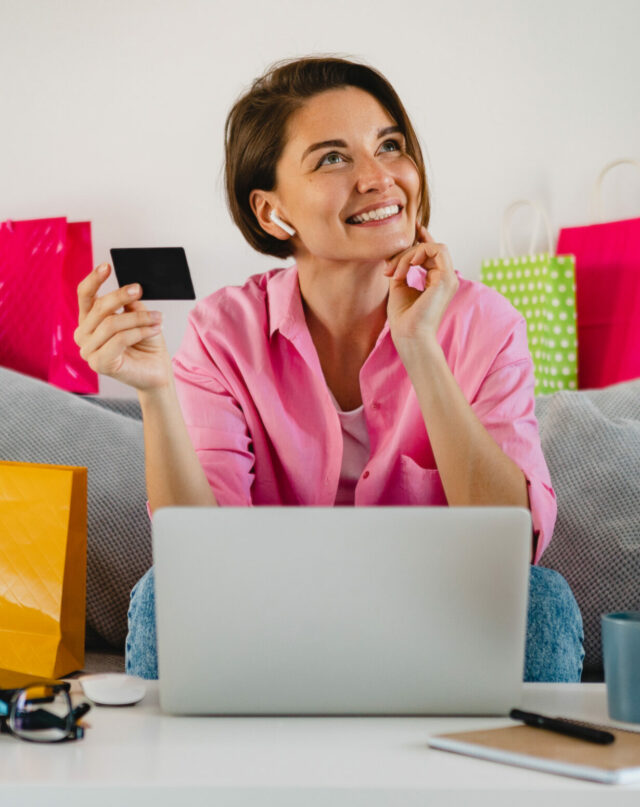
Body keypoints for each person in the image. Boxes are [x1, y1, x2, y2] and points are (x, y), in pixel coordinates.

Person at [74, 55, 584, 682]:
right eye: (333, 158)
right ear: (271, 212)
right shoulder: (223, 333)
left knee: (543, 603)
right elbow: (197, 558)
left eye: (390, 146)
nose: (379, 178)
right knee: (162, 595)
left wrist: (421, 347)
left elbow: (513, 549)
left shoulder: (486, 325)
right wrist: (155, 395)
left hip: (439, 616)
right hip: (274, 621)